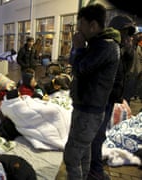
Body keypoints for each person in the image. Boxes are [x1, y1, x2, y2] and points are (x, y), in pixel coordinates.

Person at [63, 4, 121, 180]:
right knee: (84, 150)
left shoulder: (106, 47)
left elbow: (80, 69)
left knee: (72, 155)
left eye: (81, 24)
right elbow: (78, 67)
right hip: (86, 107)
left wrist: (78, 48)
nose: (79, 29)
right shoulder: (98, 44)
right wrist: (78, 51)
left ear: (93, 25)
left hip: (90, 110)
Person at [88, 15, 136, 180]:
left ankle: (92, 168)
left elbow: (124, 72)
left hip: (107, 99)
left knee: (98, 135)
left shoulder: (119, 47)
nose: (130, 37)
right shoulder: (107, 47)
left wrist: (128, 50)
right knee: (97, 135)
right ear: (118, 31)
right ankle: (93, 171)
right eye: (127, 32)